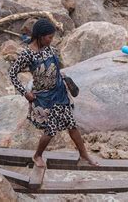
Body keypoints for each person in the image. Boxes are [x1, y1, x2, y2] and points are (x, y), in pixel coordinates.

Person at [8, 18, 98, 167]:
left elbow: (56, 69)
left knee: (72, 125)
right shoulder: (27, 54)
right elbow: (12, 73)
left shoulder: (49, 49)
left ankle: (84, 155)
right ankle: (37, 156)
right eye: (49, 37)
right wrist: (25, 92)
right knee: (51, 130)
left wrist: (66, 80)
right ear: (40, 36)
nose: (51, 40)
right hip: (44, 98)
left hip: (60, 93)